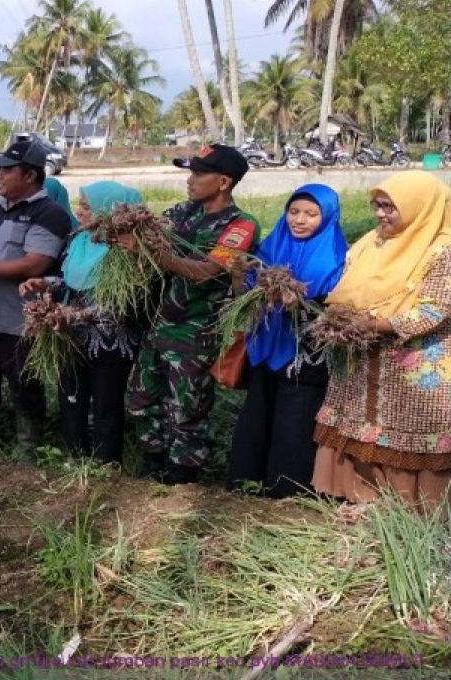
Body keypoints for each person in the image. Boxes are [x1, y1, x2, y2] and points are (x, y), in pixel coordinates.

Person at [313, 172, 451, 514]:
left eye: (390, 207)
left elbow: (436, 309)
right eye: (377, 205)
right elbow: (347, 289)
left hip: (413, 364)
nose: (380, 214)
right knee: (362, 424)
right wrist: (342, 319)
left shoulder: (442, 250)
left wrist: (379, 323)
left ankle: (411, 510)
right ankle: (364, 497)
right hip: (362, 357)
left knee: (408, 429)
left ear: (419, 208)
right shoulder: (370, 243)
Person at [124, 144, 259, 485]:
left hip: (196, 331)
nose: (191, 180)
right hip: (159, 324)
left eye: (200, 173)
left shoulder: (240, 226)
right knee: (142, 399)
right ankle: (152, 461)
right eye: (191, 172)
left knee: (186, 407)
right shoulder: (180, 213)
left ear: (224, 181)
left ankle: (183, 474)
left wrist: (152, 252)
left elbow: (206, 271)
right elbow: (146, 240)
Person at [227, 185, 347, 498]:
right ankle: (247, 482)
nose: (300, 219)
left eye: (310, 213)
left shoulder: (337, 256)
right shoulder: (272, 246)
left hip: (305, 358)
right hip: (266, 350)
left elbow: (339, 307)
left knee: (294, 423)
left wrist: (300, 303)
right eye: (294, 211)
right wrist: (240, 277)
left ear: (328, 216)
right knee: (258, 415)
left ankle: (287, 493)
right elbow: (247, 293)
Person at [0, 139, 73, 459]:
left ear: (30, 176)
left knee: (25, 386)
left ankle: (28, 453)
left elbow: (32, 264)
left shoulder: (50, 214)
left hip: (19, 321)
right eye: (0, 168)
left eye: (7, 170)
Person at [20, 181, 146, 465]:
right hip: (72, 336)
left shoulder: (126, 249)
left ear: (109, 208)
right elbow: (70, 283)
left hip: (111, 341)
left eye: (87, 207)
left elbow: (123, 303)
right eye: (79, 205)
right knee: (71, 401)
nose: (80, 212)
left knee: (106, 406)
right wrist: (45, 283)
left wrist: (75, 315)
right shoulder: (79, 240)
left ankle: (105, 467)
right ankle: (73, 461)